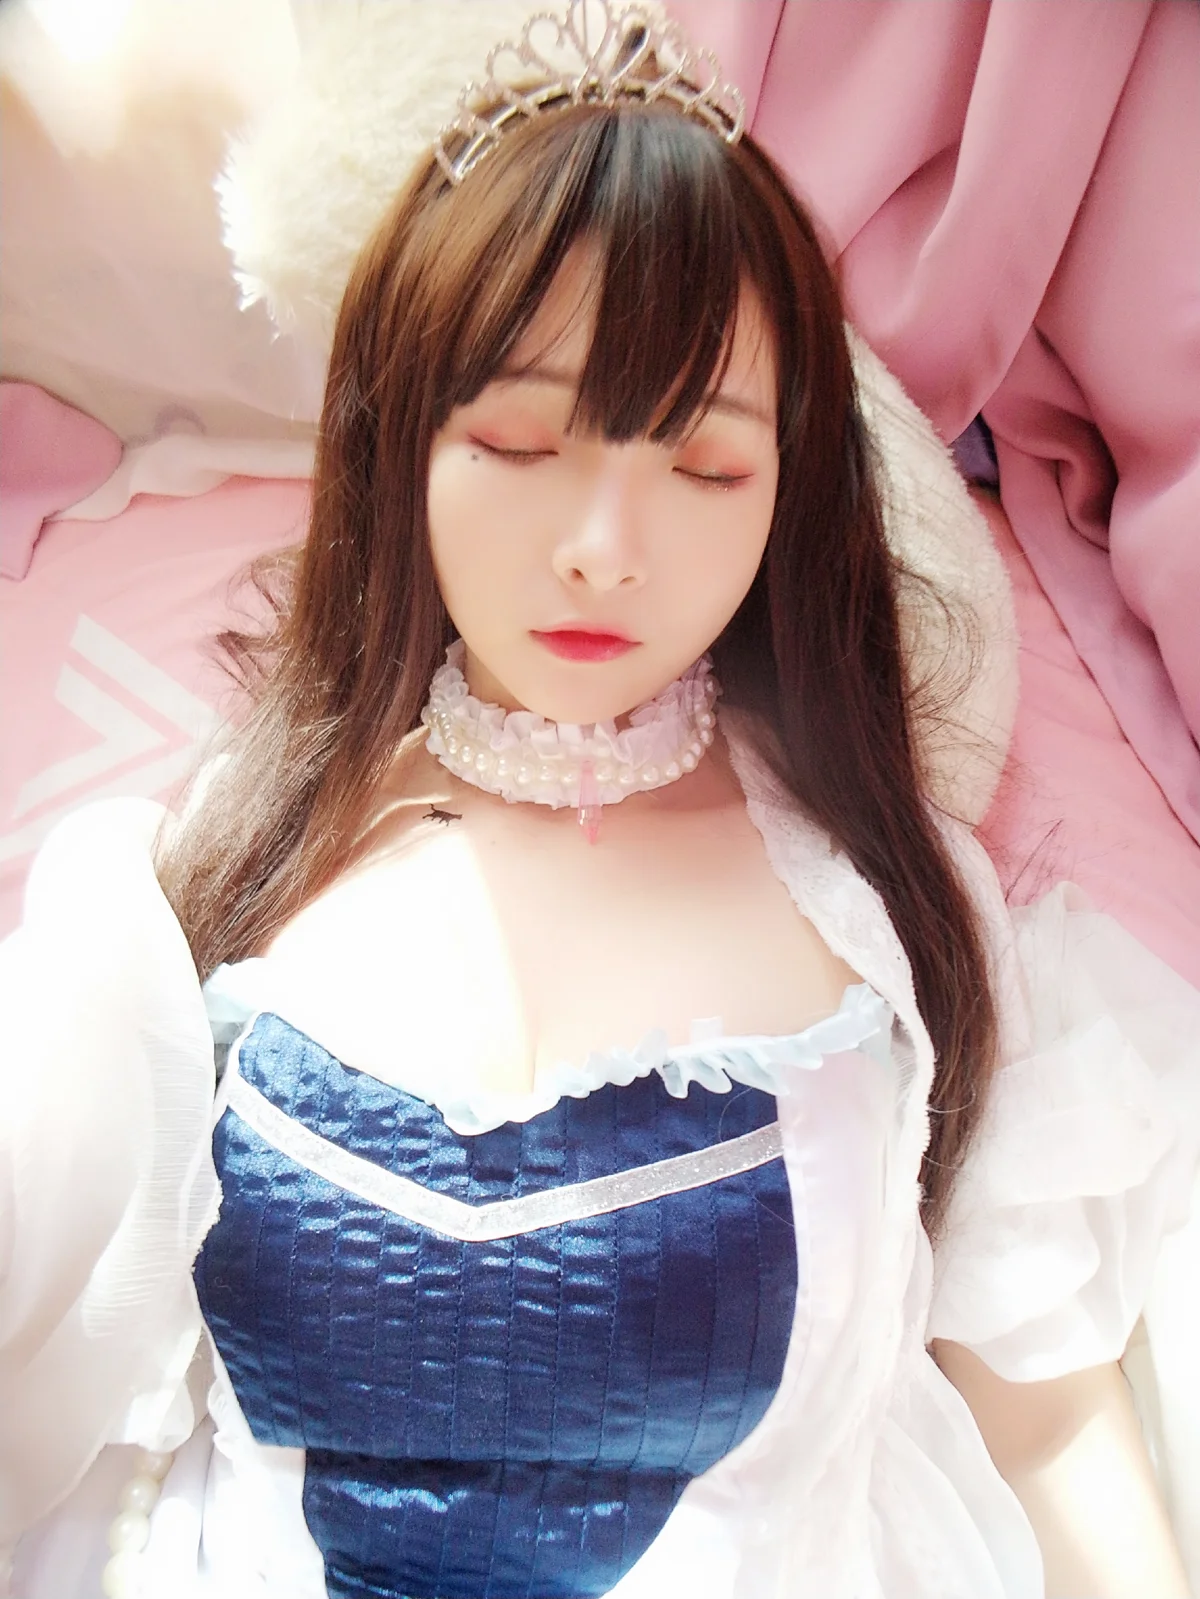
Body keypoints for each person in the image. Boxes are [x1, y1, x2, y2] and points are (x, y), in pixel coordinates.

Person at [3, 4, 1198, 1596]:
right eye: (518, 441)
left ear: (789, 492)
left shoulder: (895, 913)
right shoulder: (218, 865)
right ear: (402, 444)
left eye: (705, 468)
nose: (604, 550)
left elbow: (1049, 1425)